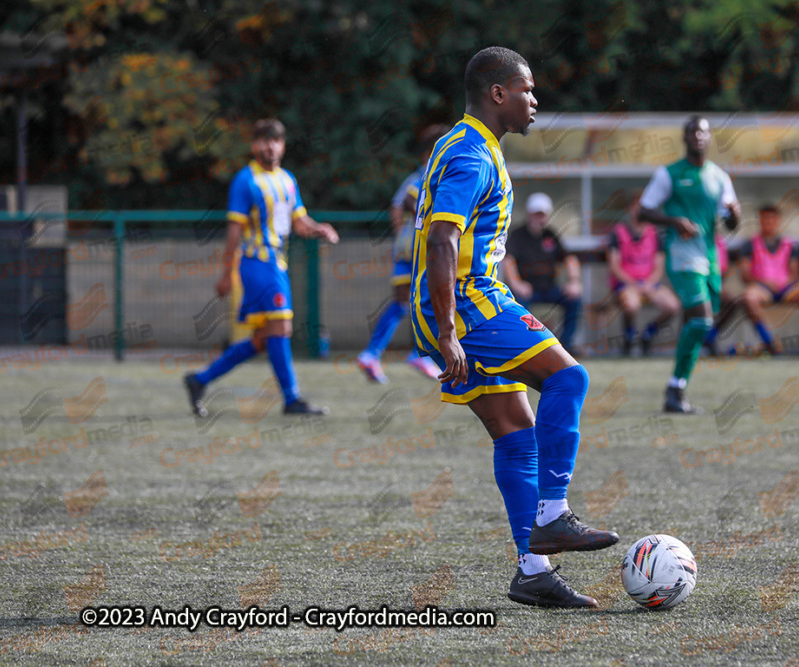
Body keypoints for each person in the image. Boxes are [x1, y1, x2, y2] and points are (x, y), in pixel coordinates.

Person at [411, 46, 618, 608]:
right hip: (467, 302)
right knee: (569, 380)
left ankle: (534, 572)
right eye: (527, 89)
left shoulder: (472, 145)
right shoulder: (472, 152)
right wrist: (449, 328)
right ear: (498, 94)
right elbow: (441, 238)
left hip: (462, 301)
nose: (535, 100)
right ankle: (553, 515)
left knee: (515, 431)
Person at [183, 119, 339, 416]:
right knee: (281, 328)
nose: (271, 146)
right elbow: (233, 231)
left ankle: (199, 380)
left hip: (276, 265)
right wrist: (226, 273)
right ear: (254, 145)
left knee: (262, 339)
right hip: (257, 263)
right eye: (265, 140)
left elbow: (298, 222)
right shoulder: (246, 180)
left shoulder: (287, 180)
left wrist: (319, 228)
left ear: (283, 145)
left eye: (276, 140)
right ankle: (291, 399)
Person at [639, 116, 741, 413]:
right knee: (702, 320)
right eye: (693, 131)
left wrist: (735, 213)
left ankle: (677, 391)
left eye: (703, 132)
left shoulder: (720, 177)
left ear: (709, 139)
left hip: (710, 259)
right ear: (685, 138)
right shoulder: (669, 174)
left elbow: (731, 224)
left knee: (696, 323)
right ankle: (674, 388)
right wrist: (675, 221)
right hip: (682, 258)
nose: (698, 136)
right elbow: (644, 212)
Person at [356, 126, 450, 384]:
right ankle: (423, 354)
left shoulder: (414, 176)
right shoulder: (431, 175)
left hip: (406, 248)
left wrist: (402, 234)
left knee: (402, 303)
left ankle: (372, 354)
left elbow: (396, 208)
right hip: (421, 250)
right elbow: (410, 202)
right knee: (437, 301)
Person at [504, 192, 583, 353]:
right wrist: (517, 283)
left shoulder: (551, 235)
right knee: (517, 307)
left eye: (542, 215)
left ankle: (566, 345)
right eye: (536, 214)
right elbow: (508, 261)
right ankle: (523, 347)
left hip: (548, 289)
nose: (539, 219)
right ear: (529, 214)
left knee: (574, 300)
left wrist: (574, 281)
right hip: (527, 290)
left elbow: (569, 259)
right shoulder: (518, 235)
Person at [606, 193, 678, 356]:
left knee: (673, 306)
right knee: (632, 305)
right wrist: (634, 283)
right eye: (636, 206)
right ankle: (629, 337)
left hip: (649, 284)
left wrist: (648, 283)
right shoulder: (618, 233)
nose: (640, 211)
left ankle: (648, 333)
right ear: (629, 209)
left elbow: (659, 266)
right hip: (626, 285)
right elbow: (614, 267)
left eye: (644, 208)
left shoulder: (655, 234)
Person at [738, 204, 799, 354]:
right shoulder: (749, 245)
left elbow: (795, 273)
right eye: (765, 218)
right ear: (759, 221)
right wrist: (766, 283)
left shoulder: (789, 244)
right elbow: (745, 275)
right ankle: (770, 343)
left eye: (772, 218)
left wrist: (783, 283)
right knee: (748, 298)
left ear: (778, 221)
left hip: (786, 288)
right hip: (761, 288)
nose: (769, 222)